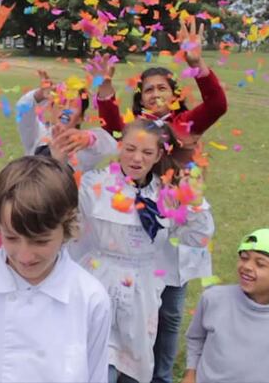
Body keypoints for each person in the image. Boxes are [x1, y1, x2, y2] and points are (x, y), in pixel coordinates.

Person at [89, 21, 227, 383]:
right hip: (140, 227)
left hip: (177, 222)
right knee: (138, 304)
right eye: (148, 89)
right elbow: (111, 125)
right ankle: (128, 363)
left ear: (174, 92)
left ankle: (161, 375)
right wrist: (104, 87)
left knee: (170, 310)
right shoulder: (136, 127)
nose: (154, 94)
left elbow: (217, 103)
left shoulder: (186, 123)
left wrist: (197, 62)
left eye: (161, 87)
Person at [0, 156, 111, 383]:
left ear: (67, 228)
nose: (25, 255)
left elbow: (95, 374)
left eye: (40, 241)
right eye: (11, 238)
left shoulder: (90, 299)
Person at [72, 119, 214, 383]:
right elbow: (68, 176)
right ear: (120, 147)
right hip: (98, 280)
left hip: (143, 292)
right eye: (129, 149)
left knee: (134, 365)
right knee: (98, 363)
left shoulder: (165, 194)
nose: (137, 158)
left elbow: (197, 237)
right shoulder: (95, 184)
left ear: (159, 155)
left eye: (147, 153)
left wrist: (193, 203)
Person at [183, 229, 269, 383]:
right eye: (244, 258)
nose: (247, 266)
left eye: (260, 264)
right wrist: (190, 374)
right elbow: (195, 338)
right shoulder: (213, 298)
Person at [16, 70, 117, 171]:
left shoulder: (85, 148)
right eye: (62, 102)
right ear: (51, 108)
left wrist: (90, 139)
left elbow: (109, 142)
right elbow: (23, 111)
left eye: (73, 104)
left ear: (80, 118)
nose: (66, 109)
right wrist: (39, 95)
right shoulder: (37, 136)